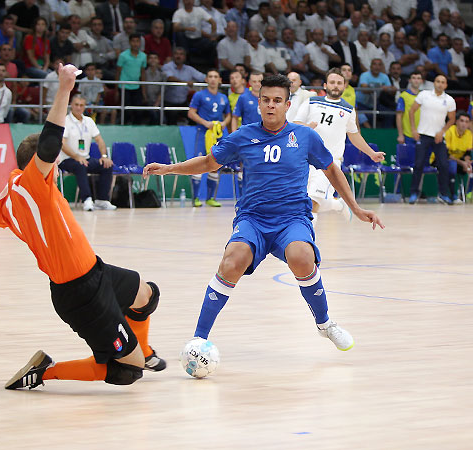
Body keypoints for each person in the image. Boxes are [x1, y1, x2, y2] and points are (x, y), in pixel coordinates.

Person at [0, 64, 166, 391]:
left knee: (147, 295)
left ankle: (142, 351)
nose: (56, 169)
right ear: (39, 166)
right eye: (54, 165)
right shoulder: (34, 183)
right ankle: (44, 372)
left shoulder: (5, 199)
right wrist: (64, 88)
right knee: (125, 371)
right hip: (80, 293)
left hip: (95, 271)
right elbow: (48, 144)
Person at [144, 74, 384, 353]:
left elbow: (331, 169)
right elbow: (209, 162)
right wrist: (169, 169)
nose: (271, 105)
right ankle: (199, 339)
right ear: (258, 103)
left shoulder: (305, 136)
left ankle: (325, 324)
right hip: (253, 219)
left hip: (292, 219)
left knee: (302, 256)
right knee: (232, 261)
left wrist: (356, 208)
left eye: (277, 100)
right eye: (266, 100)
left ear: (287, 105)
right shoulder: (243, 136)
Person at [294, 68, 385, 225]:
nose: (335, 86)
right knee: (303, 201)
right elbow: (296, 123)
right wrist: (308, 127)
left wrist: (371, 153)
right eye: (332, 82)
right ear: (325, 85)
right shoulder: (312, 102)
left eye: (339, 83)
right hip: (305, 159)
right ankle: (338, 205)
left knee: (312, 202)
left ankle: (306, 237)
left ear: (344, 86)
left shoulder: (348, 109)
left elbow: (354, 135)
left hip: (329, 163)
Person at [58, 94, 117, 211]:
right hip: (67, 160)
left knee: (106, 165)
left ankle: (102, 200)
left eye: (81, 105)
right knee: (80, 165)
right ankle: (87, 199)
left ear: (85, 106)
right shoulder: (65, 121)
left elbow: (99, 140)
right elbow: (62, 143)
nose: (79, 107)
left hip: (85, 158)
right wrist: (76, 156)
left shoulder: (89, 121)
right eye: (76, 105)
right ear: (71, 105)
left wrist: (104, 156)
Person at [408, 74, 456, 205]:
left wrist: (442, 131)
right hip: (423, 135)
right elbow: (411, 111)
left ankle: (443, 194)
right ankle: (414, 193)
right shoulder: (424, 95)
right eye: (438, 81)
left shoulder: (449, 100)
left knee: (444, 165)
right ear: (434, 83)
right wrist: (414, 130)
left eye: (443, 82)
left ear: (446, 85)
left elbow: (452, 119)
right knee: (418, 164)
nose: (440, 84)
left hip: (439, 137)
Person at [187, 69, 231, 207]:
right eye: (210, 76)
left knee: (215, 163)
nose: (213, 79)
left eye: (215, 77)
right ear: (206, 79)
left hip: (217, 135)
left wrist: (224, 123)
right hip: (203, 133)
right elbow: (191, 113)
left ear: (220, 80)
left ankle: (210, 198)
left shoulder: (223, 97)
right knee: (199, 162)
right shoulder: (199, 95)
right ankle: (195, 198)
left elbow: (229, 115)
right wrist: (205, 123)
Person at [430, 111, 472, 203]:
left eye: (466, 121)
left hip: (457, 161)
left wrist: (467, 162)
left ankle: (467, 194)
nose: (464, 124)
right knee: (452, 165)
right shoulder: (449, 131)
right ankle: (452, 195)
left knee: (465, 165)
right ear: (456, 122)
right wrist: (462, 163)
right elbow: (446, 154)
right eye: (462, 121)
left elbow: (467, 153)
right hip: (438, 159)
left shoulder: (469, 134)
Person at [115, 33, 146, 125]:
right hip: (124, 87)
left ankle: (137, 129)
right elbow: (118, 72)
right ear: (129, 42)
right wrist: (116, 90)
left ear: (140, 43)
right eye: (133, 41)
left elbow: (143, 74)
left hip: (137, 87)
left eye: (137, 41)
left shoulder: (143, 56)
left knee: (138, 111)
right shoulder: (123, 55)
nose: (135, 44)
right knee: (126, 112)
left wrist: (144, 91)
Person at [396, 71, 423, 146]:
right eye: (414, 78)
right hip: (407, 135)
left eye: (418, 78)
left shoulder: (424, 96)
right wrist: (400, 135)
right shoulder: (403, 96)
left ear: (421, 81)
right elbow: (399, 116)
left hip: (422, 135)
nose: (416, 80)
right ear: (410, 80)